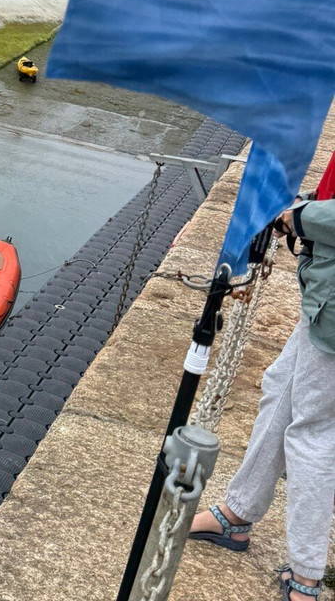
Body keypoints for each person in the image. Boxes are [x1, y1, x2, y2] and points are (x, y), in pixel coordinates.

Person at [188, 199, 335, 601]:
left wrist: (300, 217)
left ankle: (306, 578)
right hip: (325, 296)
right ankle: (238, 513)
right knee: (280, 391)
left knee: (314, 432)